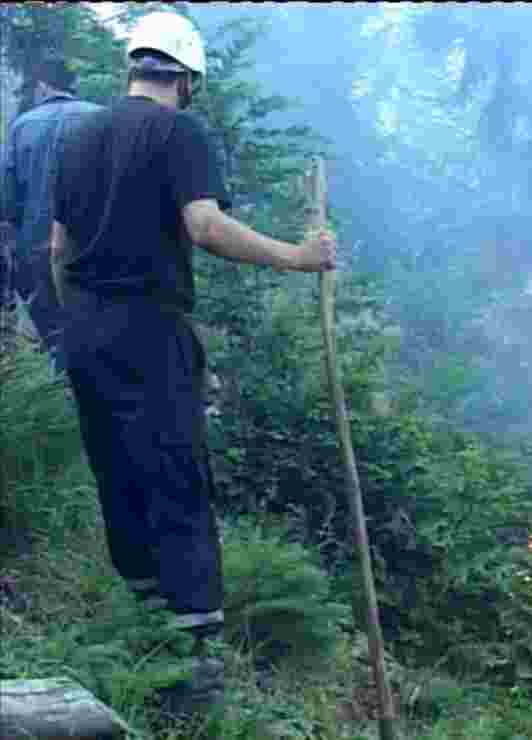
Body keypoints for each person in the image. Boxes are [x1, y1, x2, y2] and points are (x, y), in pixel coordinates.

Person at [49, 11, 337, 716]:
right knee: (175, 472)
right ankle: (192, 672)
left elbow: (57, 248)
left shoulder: (79, 134)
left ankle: (143, 631)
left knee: (117, 473)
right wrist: (299, 258)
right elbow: (204, 226)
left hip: (85, 329)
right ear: (188, 78)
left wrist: (80, 322)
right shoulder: (181, 133)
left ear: (134, 67)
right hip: (150, 327)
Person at [0, 57, 103, 372]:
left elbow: (7, 201)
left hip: (36, 251)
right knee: (94, 332)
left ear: (44, 85)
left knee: (56, 338)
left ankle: (62, 400)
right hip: (92, 248)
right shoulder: (100, 119)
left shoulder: (22, 127)